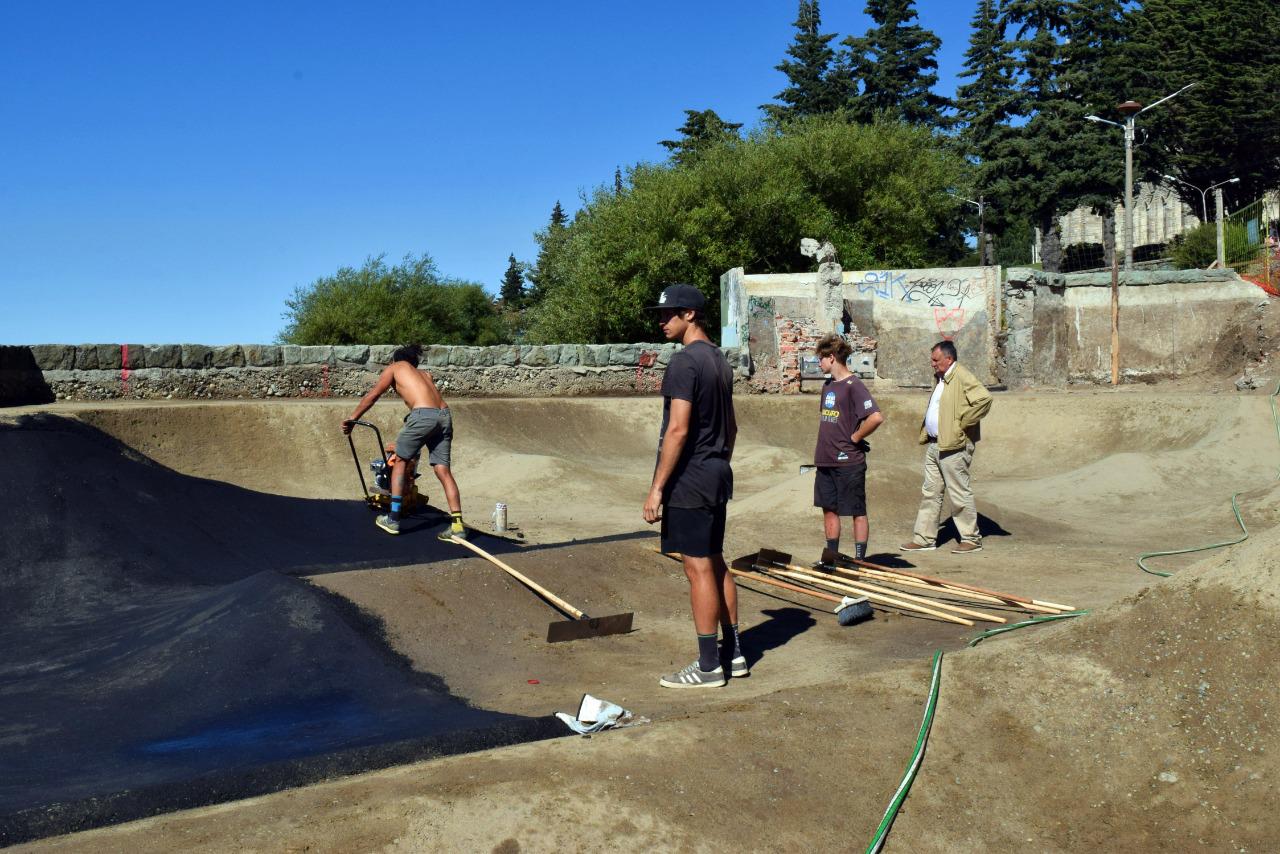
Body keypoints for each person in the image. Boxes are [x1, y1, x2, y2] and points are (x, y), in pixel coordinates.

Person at [642, 284, 741, 689]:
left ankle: (708, 666)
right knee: (715, 562)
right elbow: (732, 427)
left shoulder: (684, 362)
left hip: (691, 478)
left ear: (691, 315)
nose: (662, 321)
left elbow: (678, 429)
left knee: (697, 567)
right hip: (716, 472)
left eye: (669, 314)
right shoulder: (719, 360)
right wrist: (718, 461)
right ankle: (733, 654)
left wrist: (657, 489)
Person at [342, 344, 467, 541]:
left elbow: (373, 395)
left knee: (400, 461)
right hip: (444, 415)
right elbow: (429, 403)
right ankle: (458, 525)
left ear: (395, 360)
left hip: (423, 414)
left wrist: (352, 419)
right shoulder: (425, 375)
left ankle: (393, 519)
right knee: (443, 470)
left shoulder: (395, 367)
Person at [900, 340, 992, 555]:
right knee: (930, 492)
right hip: (935, 444)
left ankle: (971, 539)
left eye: (936, 360)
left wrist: (960, 423)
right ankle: (924, 538)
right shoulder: (941, 377)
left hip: (954, 445)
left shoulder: (961, 375)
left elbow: (984, 400)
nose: (932, 363)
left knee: (959, 492)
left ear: (949, 359)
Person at [812, 333, 884, 561]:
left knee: (856, 510)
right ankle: (831, 557)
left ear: (832, 357)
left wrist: (856, 437)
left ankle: (860, 560)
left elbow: (875, 417)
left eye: (821, 359)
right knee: (828, 509)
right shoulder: (827, 385)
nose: (818, 363)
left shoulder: (854, 385)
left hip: (848, 461)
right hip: (825, 459)